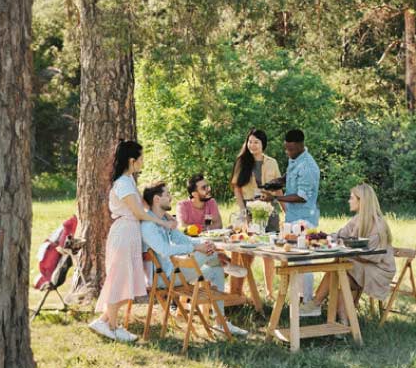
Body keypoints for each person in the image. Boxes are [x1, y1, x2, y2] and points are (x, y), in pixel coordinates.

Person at [89, 141, 178, 342]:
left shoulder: (130, 181)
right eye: (141, 158)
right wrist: (161, 224)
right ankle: (111, 326)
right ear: (132, 160)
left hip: (131, 234)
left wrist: (166, 216)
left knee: (126, 280)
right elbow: (138, 212)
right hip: (123, 234)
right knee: (119, 279)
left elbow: (145, 205)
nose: (143, 161)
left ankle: (105, 322)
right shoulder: (122, 183)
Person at [140, 181, 249, 336]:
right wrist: (197, 248)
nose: (171, 197)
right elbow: (164, 250)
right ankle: (223, 261)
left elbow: (183, 239)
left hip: (173, 272)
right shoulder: (149, 225)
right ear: (157, 199)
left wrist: (202, 243)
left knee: (215, 270)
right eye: (167, 194)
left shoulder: (163, 221)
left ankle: (220, 323)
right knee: (206, 254)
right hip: (163, 278)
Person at [300, 183, 396, 322]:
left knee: (340, 268)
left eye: (352, 198)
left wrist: (348, 251)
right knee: (339, 267)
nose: (349, 201)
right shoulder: (357, 219)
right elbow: (340, 235)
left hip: (378, 270)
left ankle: (316, 304)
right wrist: (316, 236)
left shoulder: (378, 225)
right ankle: (343, 322)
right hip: (362, 265)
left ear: (361, 201)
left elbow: (375, 256)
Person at [262, 128, 320, 313]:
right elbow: (290, 175)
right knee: (293, 259)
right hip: (292, 217)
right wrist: (277, 182)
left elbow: (302, 196)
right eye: (286, 149)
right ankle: (296, 301)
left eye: (291, 149)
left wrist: (276, 198)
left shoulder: (309, 167)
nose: (288, 153)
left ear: (301, 145)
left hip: (305, 218)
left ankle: (307, 303)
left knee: (303, 261)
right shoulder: (295, 159)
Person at [230, 128, 283, 298]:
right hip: (250, 209)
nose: (252, 145)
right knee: (248, 252)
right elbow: (237, 188)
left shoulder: (272, 162)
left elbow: (278, 188)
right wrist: (243, 211)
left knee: (270, 251)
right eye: (250, 141)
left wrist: (285, 209)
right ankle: (241, 291)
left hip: (269, 209)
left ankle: (269, 292)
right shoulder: (241, 161)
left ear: (263, 144)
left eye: (256, 142)